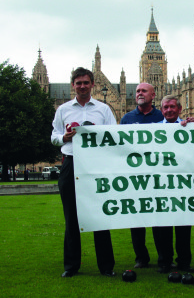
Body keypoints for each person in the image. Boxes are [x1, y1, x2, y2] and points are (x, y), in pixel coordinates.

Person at [51, 67, 116, 278]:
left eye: (85, 82)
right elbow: (54, 135)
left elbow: (114, 135)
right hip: (70, 162)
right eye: (78, 83)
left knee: (101, 214)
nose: (82, 86)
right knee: (71, 217)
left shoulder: (103, 109)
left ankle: (106, 267)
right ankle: (71, 266)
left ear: (92, 85)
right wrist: (64, 138)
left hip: (96, 165)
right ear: (73, 85)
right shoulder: (63, 109)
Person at [121, 82, 169, 272]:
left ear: (153, 95)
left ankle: (165, 257)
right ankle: (141, 257)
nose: (140, 93)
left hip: (158, 177)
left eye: (144, 91)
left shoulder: (162, 116)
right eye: (138, 91)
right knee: (137, 220)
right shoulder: (127, 118)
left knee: (161, 220)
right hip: (136, 177)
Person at [157, 95, 194, 273]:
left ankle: (184, 262)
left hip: (182, 184)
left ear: (179, 109)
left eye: (173, 107)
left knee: (183, 226)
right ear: (162, 110)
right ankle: (165, 262)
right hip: (162, 184)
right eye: (166, 108)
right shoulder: (153, 130)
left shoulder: (190, 127)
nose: (169, 110)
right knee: (163, 226)